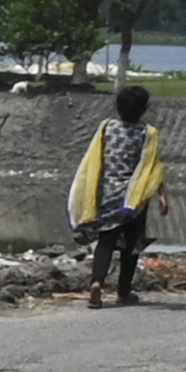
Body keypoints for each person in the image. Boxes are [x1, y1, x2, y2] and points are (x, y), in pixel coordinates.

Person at [76, 84, 164, 307]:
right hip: (133, 198)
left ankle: (97, 282)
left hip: (106, 193)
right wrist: (163, 196)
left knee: (106, 241)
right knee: (131, 245)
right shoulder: (148, 133)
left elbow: (94, 159)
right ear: (145, 108)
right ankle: (123, 292)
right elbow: (151, 168)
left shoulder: (106, 127)